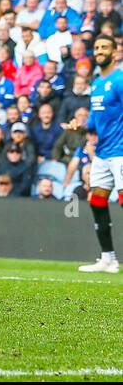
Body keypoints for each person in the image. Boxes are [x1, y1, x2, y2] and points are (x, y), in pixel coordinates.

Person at [80, 33, 123, 273]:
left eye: (104, 47)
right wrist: (81, 126)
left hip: (120, 151)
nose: (99, 51)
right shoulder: (96, 85)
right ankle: (108, 259)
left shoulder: (119, 80)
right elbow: (95, 123)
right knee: (97, 201)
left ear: (115, 52)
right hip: (103, 152)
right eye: (96, 47)